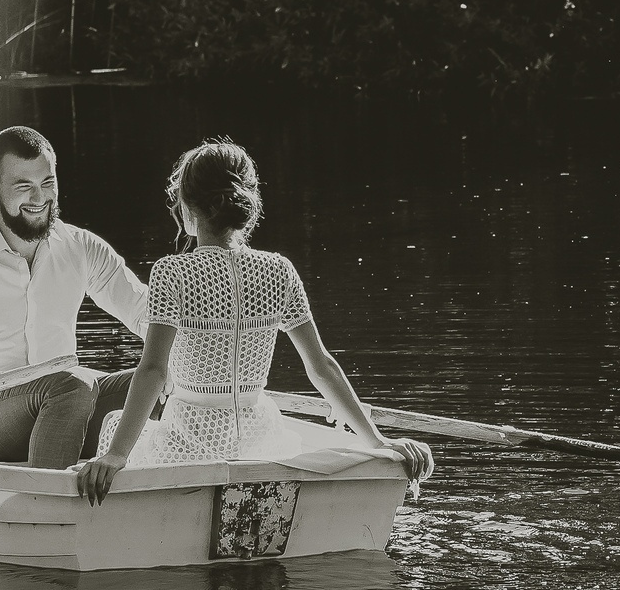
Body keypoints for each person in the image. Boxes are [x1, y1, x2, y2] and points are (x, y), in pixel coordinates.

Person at [72, 139, 432, 504]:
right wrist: (377, 440)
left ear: (188, 206)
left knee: (113, 423)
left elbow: (152, 371)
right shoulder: (279, 269)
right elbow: (321, 365)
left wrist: (116, 455)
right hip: (260, 437)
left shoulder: (172, 271)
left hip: (192, 438)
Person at [0, 125, 147, 468]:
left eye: (47, 183)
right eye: (24, 187)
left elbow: (144, 310)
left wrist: (182, 358)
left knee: (154, 383)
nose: (39, 198)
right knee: (72, 385)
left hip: (68, 400)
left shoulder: (80, 246)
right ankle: (46, 503)